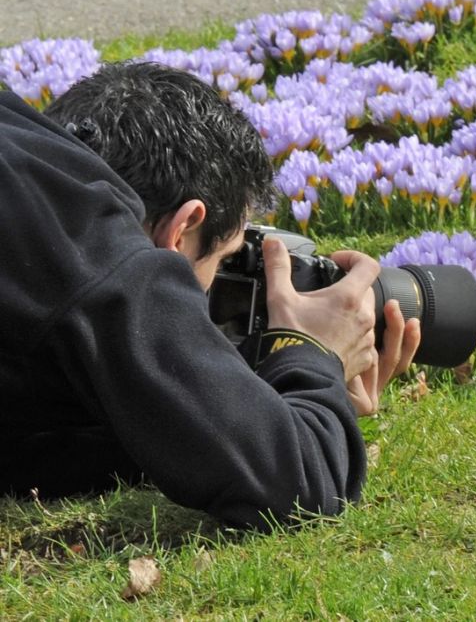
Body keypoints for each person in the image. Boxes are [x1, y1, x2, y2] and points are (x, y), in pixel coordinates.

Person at [0, 61, 420, 530]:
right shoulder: (93, 245)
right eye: (223, 262)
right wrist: (312, 358)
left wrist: (233, 399)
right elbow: (294, 486)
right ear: (181, 232)